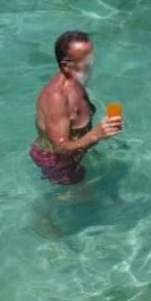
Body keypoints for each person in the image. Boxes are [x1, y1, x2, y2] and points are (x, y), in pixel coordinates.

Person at [30, 30, 122, 185]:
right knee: (82, 198)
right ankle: (43, 208)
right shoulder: (56, 98)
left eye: (93, 55)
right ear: (66, 66)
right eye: (87, 59)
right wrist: (96, 135)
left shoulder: (78, 79)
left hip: (76, 152)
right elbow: (59, 148)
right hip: (56, 162)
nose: (92, 62)